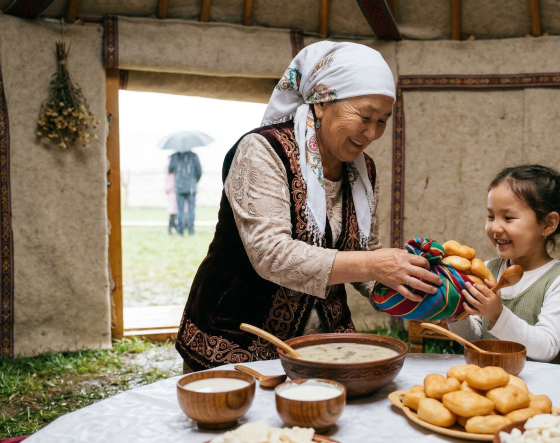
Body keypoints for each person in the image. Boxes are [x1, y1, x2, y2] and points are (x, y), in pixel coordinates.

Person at [175, 42, 442, 372]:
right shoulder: (262, 151)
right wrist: (375, 264)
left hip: (323, 337)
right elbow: (271, 254)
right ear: (320, 103)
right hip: (238, 336)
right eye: (365, 116)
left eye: (383, 120)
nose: (372, 133)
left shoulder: (362, 169)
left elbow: (364, 250)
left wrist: (421, 289)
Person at [447, 165, 560, 364]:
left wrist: (497, 314)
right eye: (491, 216)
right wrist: (457, 316)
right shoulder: (488, 270)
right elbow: (475, 340)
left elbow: (547, 347)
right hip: (492, 382)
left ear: (548, 224)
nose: (495, 227)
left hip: (542, 389)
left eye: (508, 218)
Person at [168, 150, 202, 235]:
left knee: (180, 210)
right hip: (191, 187)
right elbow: (199, 171)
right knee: (191, 210)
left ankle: (180, 231)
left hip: (179, 187)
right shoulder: (194, 156)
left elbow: (170, 169)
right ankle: (191, 231)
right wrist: (194, 181)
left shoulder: (174, 156)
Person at [164, 159, 178, 235]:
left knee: (172, 213)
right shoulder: (175, 172)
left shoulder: (169, 172)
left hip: (172, 194)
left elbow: (167, 187)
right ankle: (174, 228)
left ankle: (171, 229)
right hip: (175, 193)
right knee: (174, 213)